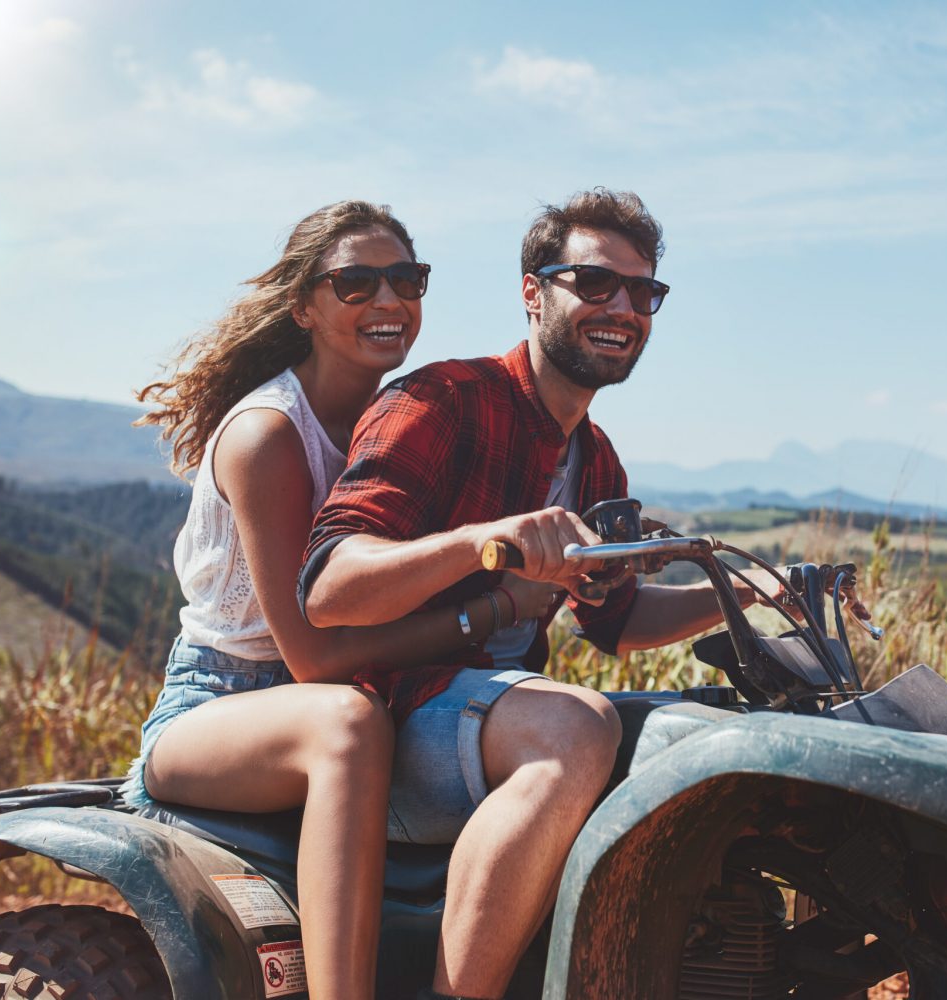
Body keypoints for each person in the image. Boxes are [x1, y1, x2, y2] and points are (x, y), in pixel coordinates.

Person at [300, 188, 777, 1000]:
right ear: (533, 292)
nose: (621, 308)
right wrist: (485, 542)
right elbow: (329, 585)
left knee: (713, 736)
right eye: (594, 284)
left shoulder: (596, 459)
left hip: (492, 718)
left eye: (641, 293)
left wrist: (745, 591)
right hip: (402, 712)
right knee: (575, 725)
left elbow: (616, 621)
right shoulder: (440, 402)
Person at [123, 200, 554, 1000]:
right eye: (356, 283)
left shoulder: (399, 421)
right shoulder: (269, 436)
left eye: (406, 279)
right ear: (305, 308)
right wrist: (496, 609)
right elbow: (311, 655)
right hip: (221, 703)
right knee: (347, 725)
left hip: (333, 694)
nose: (388, 301)